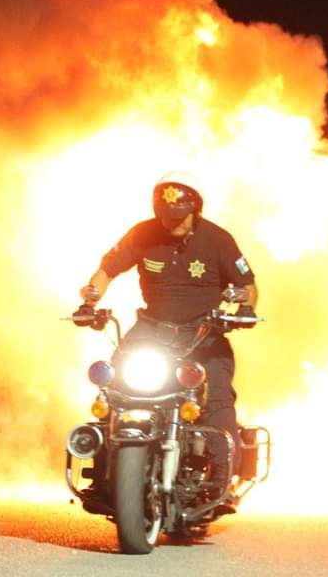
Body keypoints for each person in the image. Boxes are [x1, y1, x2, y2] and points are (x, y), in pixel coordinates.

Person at [74, 171, 259, 507]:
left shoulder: (219, 240)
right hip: (153, 327)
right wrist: (90, 301)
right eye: (164, 215)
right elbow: (108, 269)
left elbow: (248, 286)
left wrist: (245, 308)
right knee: (114, 384)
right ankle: (103, 472)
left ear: (196, 210)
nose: (169, 223)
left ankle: (221, 482)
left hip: (205, 331)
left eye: (177, 217)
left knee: (217, 398)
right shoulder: (143, 234)